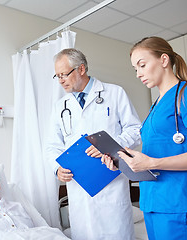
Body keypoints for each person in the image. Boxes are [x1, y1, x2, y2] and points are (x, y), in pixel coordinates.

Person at [102, 36, 187, 240]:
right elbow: (152, 158)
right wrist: (122, 162)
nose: (138, 74)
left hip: (178, 200)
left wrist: (152, 162)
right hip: (152, 202)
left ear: (164, 60)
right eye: (135, 69)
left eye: (142, 65)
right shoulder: (156, 106)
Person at [46, 48, 142, 240]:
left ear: (81, 69)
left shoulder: (114, 93)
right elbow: (52, 146)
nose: (61, 81)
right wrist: (57, 168)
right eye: (57, 76)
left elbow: (135, 130)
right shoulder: (60, 106)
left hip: (111, 183)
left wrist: (108, 146)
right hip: (78, 188)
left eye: (64, 74)